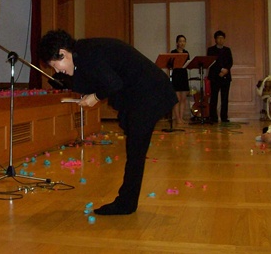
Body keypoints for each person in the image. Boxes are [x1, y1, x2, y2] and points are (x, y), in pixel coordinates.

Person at [38, 29, 177, 216]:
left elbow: (113, 84)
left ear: (63, 53)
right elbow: (100, 80)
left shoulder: (88, 54)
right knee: (134, 147)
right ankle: (127, 202)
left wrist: (95, 97)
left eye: (55, 65)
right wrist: (89, 94)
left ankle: (126, 204)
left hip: (150, 93)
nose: (57, 70)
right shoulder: (83, 52)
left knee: (135, 151)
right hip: (144, 93)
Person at [207, 30, 233, 123]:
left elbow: (230, 62)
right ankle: (213, 117)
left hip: (226, 77)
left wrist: (226, 70)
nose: (220, 40)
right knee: (214, 97)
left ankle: (224, 117)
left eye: (222, 38)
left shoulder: (227, 50)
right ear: (215, 39)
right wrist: (220, 70)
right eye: (218, 38)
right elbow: (211, 62)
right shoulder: (211, 50)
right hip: (215, 76)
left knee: (225, 98)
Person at [170, 34, 190, 125]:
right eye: (180, 41)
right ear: (177, 43)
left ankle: (181, 117)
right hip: (176, 75)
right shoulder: (173, 52)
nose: (182, 43)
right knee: (177, 98)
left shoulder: (186, 53)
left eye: (184, 41)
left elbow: (188, 64)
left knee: (183, 98)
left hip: (184, 75)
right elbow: (171, 64)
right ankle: (177, 118)